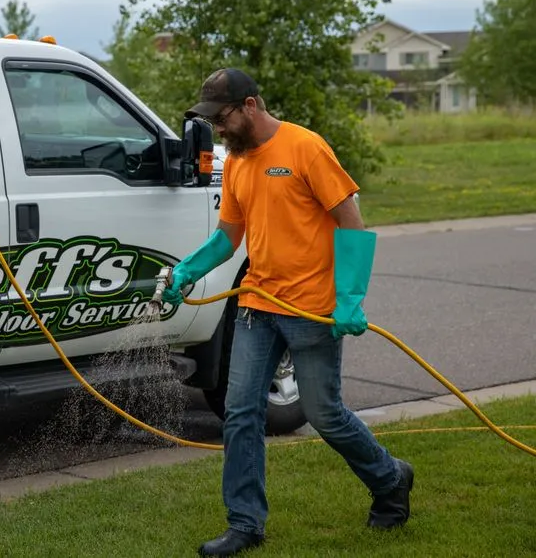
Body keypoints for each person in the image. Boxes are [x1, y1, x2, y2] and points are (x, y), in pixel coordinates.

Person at [163, 68, 414, 557]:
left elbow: (352, 222)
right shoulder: (235, 163)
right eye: (211, 121)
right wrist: (185, 272)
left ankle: (389, 478)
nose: (218, 129)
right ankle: (245, 524)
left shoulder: (306, 148)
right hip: (258, 304)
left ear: (251, 105)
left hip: (313, 309)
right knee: (239, 413)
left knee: (326, 415)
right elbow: (229, 237)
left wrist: (350, 299)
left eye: (224, 117)